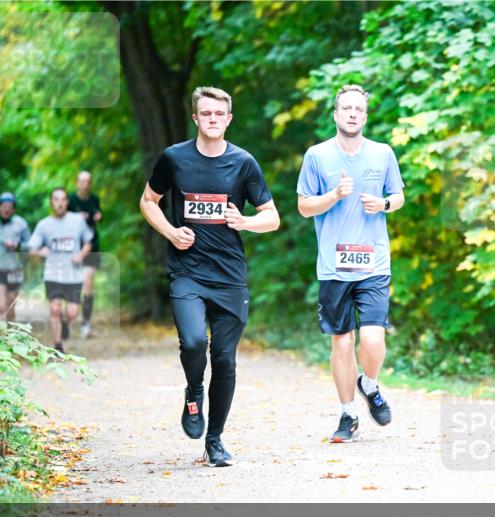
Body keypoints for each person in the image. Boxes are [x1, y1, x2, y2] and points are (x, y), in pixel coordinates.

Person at [139, 86, 280, 468]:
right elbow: (148, 201)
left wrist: (246, 221)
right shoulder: (174, 158)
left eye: (220, 114)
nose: (213, 119)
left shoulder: (243, 163)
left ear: (228, 119)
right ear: (196, 118)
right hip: (187, 270)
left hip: (229, 275)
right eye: (206, 113)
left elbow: (273, 216)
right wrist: (171, 232)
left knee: (225, 358)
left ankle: (215, 440)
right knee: (193, 342)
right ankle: (193, 389)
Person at [297, 84, 405, 443]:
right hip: (333, 266)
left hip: (374, 263)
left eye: (359, 109)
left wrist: (385, 205)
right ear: (336, 114)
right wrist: (333, 196)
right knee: (341, 343)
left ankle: (369, 385)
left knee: (372, 339)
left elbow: (399, 195)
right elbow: (302, 207)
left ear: (365, 115)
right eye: (346, 108)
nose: (352, 113)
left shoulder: (383, 153)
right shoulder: (316, 155)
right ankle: (348, 414)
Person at [28, 188, 92, 352]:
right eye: (56, 199)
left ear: (67, 202)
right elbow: (31, 249)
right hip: (53, 273)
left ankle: (64, 323)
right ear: (51, 202)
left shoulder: (77, 220)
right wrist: (39, 252)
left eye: (63, 199)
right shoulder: (44, 224)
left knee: (72, 312)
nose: (60, 203)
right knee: (55, 308)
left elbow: (88, 242)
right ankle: (58, 347)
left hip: (74, 274)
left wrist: (81, 254)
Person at [68, 170, 103, 339]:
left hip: (92, 246)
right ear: (77, 183)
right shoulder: (69, 200)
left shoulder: (94, 199)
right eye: (82, 181)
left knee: (88, 284)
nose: (85, 184)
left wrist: (98, 216)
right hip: (73, 247)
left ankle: (86, 324)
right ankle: (68, 317)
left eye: (88, 181)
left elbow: (99, 214)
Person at [0, 192, 31, 322]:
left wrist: (18, 245)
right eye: (4, 205)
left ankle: (11, 339)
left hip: (14, 271)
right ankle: (2, 341)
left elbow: (30, 244)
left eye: (10, 206)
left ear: (14, 209)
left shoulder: (20, 224)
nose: (7, 208)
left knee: (10, 311)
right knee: (1, 307)